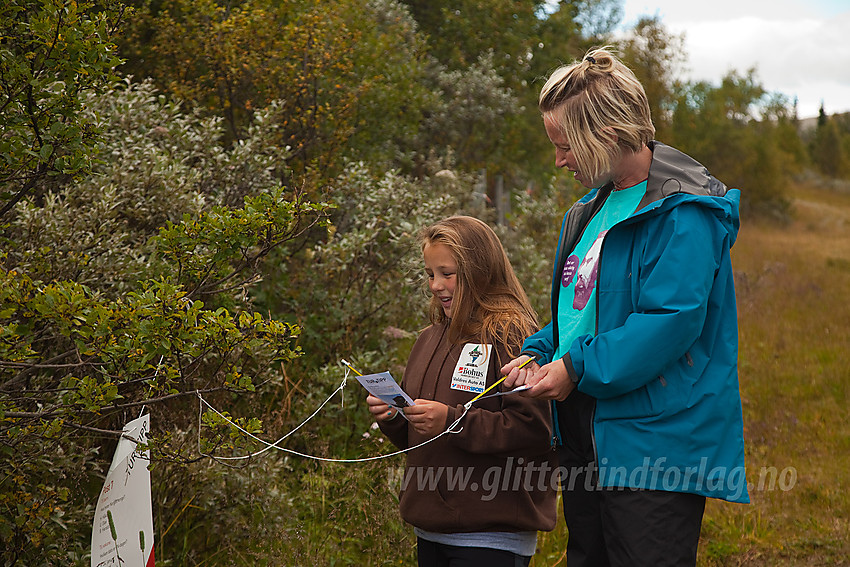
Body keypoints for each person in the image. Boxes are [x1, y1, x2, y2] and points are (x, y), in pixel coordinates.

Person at [501, 47, 749, 567]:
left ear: (608, 134)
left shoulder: (685, 212)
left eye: (566, 146)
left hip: (652, 445)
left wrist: (577, 366)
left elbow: (670, 321)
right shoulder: (589, 212)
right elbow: (582, 311)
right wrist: (539, 352)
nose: (559, 160)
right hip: (586, 433)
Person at [367, 215, 557, 567]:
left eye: (447, 273)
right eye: (430, 274)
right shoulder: (428, 339)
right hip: (430, 530)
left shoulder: (513, 335)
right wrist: (393, 416)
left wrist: (451, 421)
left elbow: (535, 430)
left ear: (479, 270)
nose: (436, 285)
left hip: (493, 538)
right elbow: (421, 440)